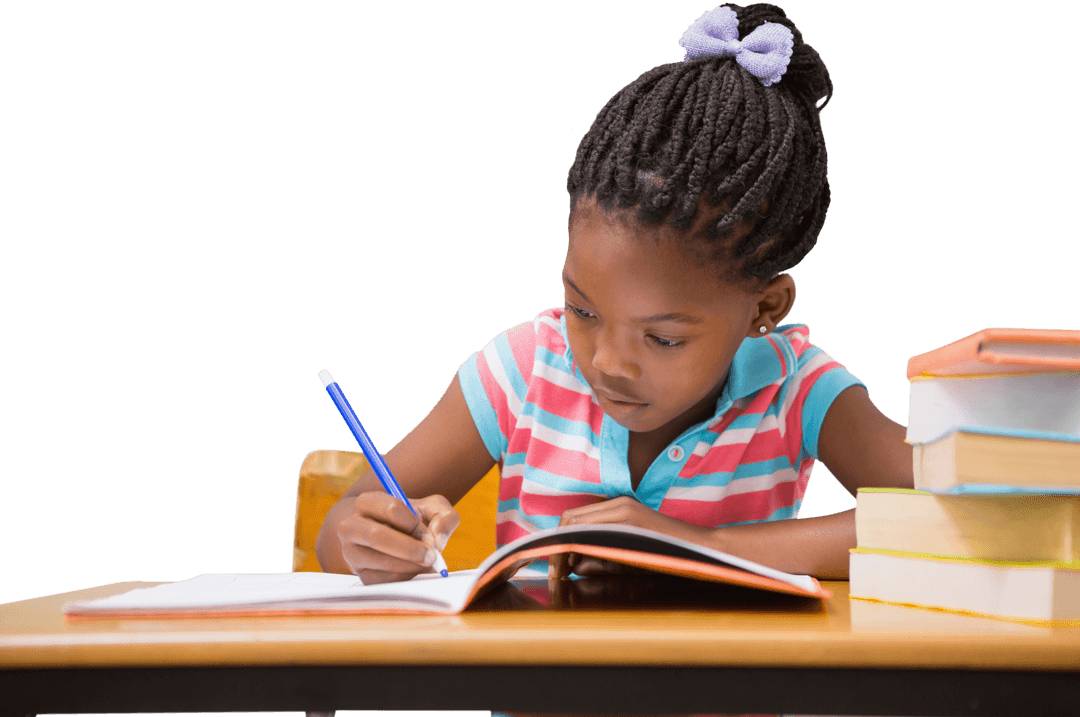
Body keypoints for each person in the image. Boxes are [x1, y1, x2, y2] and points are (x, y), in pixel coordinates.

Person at [315, 2, 913, 592]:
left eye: (664, 338)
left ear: (765, 309)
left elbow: (948, 521)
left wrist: (692, 547)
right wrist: (368, 537)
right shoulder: (523, 372)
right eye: (583, 310)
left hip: (718, 691)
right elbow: (339, 528)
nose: (607, 362)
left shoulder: (796, 391)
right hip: (533, 690)